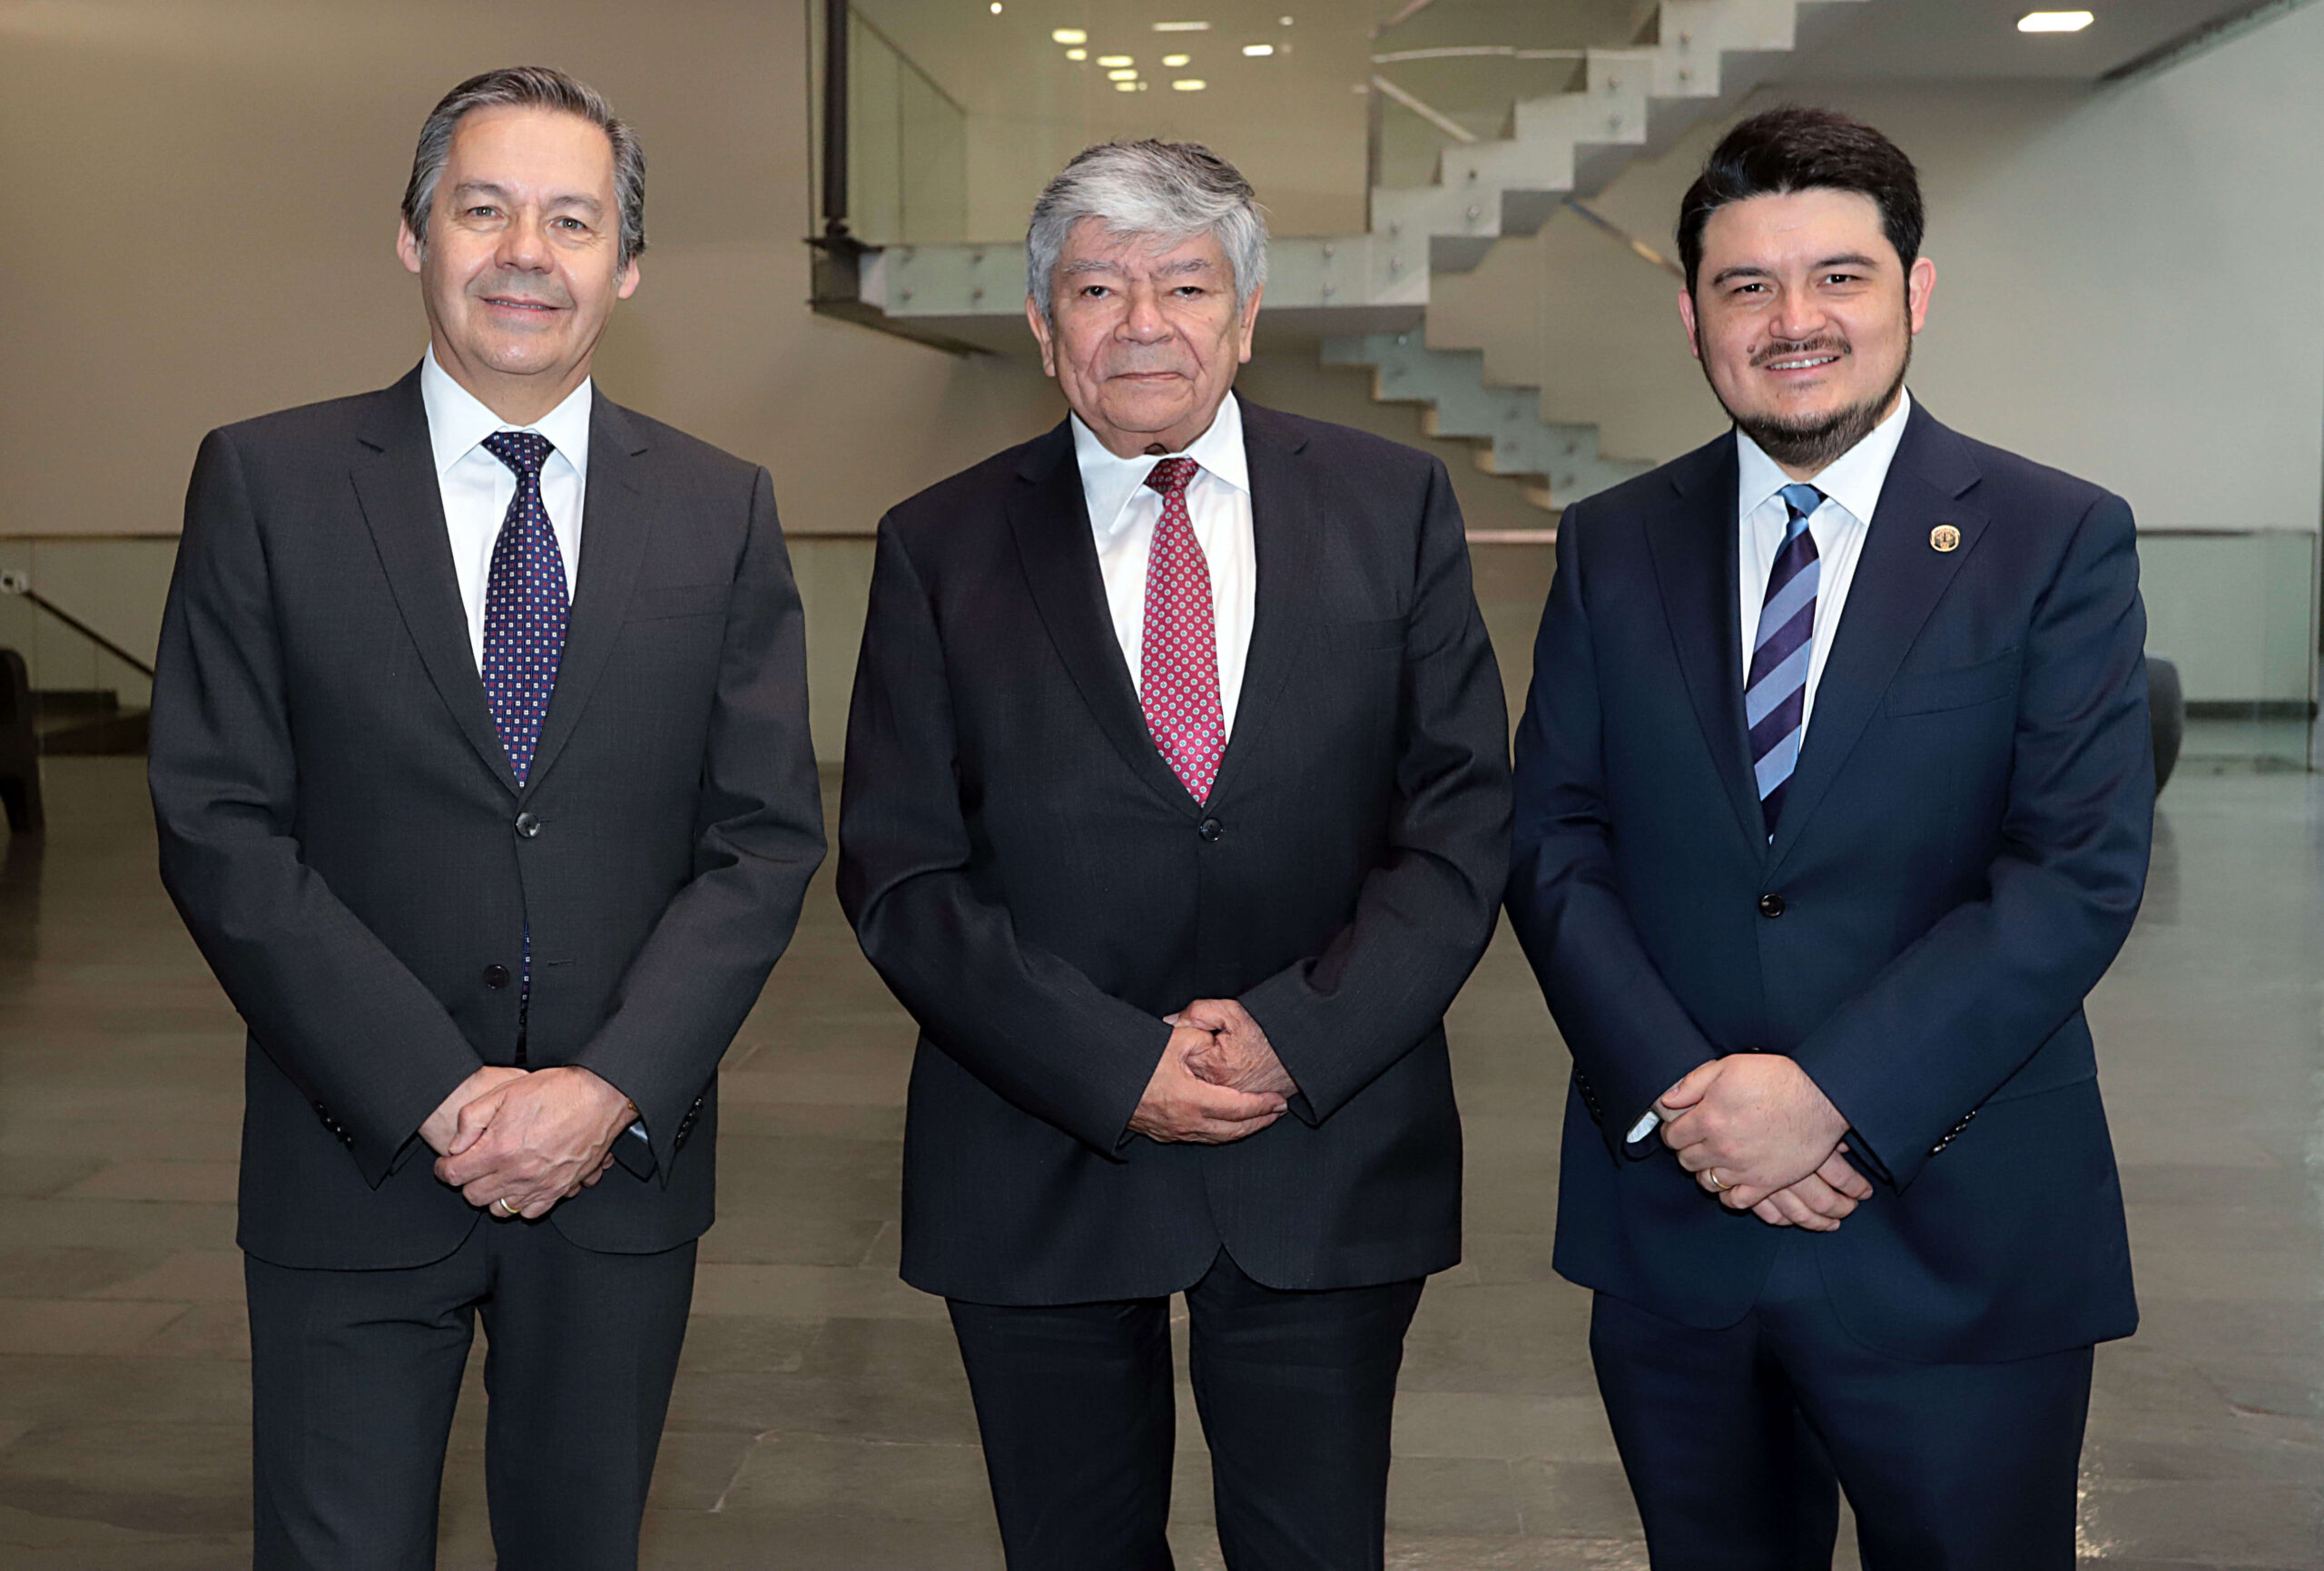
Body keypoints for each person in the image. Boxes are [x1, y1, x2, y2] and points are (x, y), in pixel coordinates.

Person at [148, 66, 822, 1570]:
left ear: (625, 267)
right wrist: (437, 1091)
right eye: (486, 208)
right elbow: (219, 824)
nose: (528, 251)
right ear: (415, 237)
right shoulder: (270, 481)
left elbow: (764, 838)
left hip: (619, 1172)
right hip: (355, 1153)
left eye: (573, 220)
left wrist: (606, 1088)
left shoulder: (721, 507)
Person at [835, 140, 1512, 1570]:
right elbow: (900, 870)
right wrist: (1105, 1063)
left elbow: (1459, 819)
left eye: (1186, 284)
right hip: (1037, 1145)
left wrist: (1294, 1034)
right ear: (1042, 323)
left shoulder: (1394, 507)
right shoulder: (938, 545)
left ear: (1246, 314)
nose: (1143, 321)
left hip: (1324, 1145)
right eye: (1098, 287)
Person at [1505, 106, 2152, 1569]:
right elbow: (1553, 838)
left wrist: (1836, 1098)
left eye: (1840, 277)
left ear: (1914, 292)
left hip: (1959, 1239)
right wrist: (1690, 1097)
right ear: (1692, 319)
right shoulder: (1614, 543)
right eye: (1748, 287)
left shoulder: (2056, 539)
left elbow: (2073, 871)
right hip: (1678, 1227)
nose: (1795, 322)